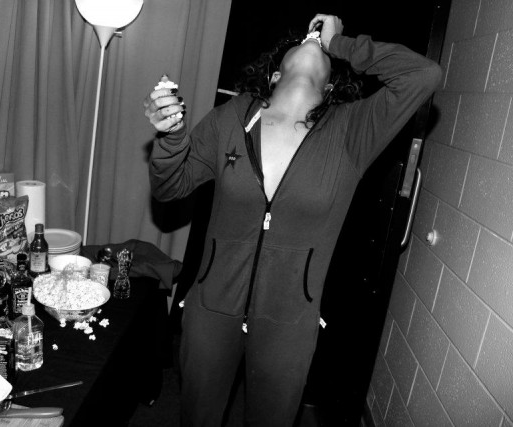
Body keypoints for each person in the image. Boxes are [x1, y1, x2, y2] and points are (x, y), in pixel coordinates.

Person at [143, 14, 441, 426]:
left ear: (331, 85)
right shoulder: (231, 118)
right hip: (211, 309)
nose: (312, 39)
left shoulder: (352, 131)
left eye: (321, 47)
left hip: (289, 325)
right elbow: (170, 186)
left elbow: (424, 75)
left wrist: (340, 43)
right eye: (305, 39)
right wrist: (172, 138)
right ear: (275, 75)